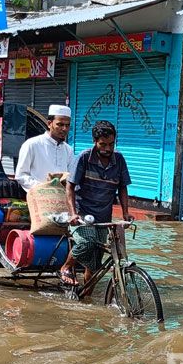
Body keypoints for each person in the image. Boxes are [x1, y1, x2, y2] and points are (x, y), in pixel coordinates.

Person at [59, 120, 132, 286]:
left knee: (95, 263)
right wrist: (73, 214)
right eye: (103, 144)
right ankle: (67, 266)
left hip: (103, 217)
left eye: (111, 144)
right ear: (95, 141)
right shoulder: (84, 158)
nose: (107, 149)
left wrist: (125, 212)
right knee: (88, 242)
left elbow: (122, 188)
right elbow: (70, 187)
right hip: (82, 215)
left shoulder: (119, 159)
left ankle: (86, 298)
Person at [15, 104, 73, 190]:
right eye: (60, 124)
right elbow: (21, 176)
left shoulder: (68, 150)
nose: (64, 129)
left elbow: (71, 176)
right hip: (37, 198)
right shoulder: (32, 145)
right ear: (49, 124)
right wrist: (44, 188)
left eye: (67, 125)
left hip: (61, 198)